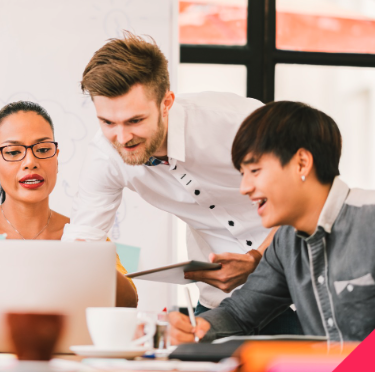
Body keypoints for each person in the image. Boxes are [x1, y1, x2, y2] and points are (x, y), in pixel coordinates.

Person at [169, 101, 375, 345]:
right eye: (242, 174)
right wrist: (197, 328)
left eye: (255, 171)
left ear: (302, 162)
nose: (244, 188)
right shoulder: (287, 242)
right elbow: (241, 313)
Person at [62, 33, 301, 334]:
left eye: (135, 121)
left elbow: (308, 198)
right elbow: (83, 242)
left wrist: (256, 259)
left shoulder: (237, 121)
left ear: (166, 103)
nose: (122, 138)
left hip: (303, 289)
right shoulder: (105, 156)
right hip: (225, 304)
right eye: (108, 122)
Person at [0, 101, 138, 345]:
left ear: (57, 157)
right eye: (13, 152)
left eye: (43, 149)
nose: (30, 162)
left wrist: (90, 262)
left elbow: (129, 304)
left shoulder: (84, 234)